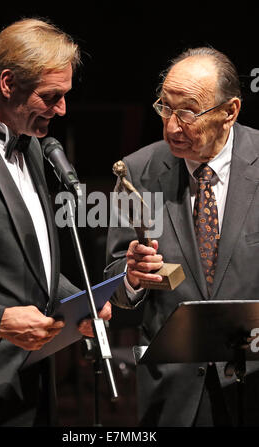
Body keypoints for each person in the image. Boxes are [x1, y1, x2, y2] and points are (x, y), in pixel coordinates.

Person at [0, 17, 111, 427]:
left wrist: (81, 300)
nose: (62, 109)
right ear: (7, 83)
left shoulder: (31, 145)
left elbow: (30, 262)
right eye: (51, 96)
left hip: (37, 384)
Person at [105, 46, 259, 426]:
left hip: (253, 386)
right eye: (166, 108)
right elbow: (114, 285)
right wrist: (132, 279)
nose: (172, 126)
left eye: (188, 112)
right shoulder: (136, 172)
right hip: (172, 395)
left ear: (230, 111)